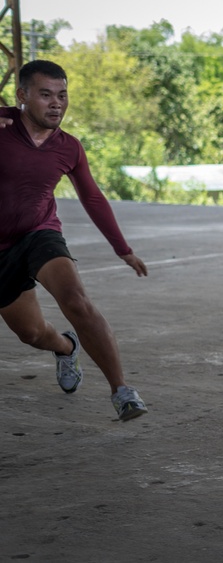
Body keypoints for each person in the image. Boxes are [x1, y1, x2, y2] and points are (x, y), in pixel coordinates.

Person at [0, 60, 149, 421]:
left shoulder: (69, 148)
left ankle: (122, 391)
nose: (57, 104)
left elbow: (93, 198)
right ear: (22, 96)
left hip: (39, 233)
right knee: (33, 334)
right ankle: (65, 348)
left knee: (76, 300)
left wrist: (123, 250)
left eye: (62, 95)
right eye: (46, 95)